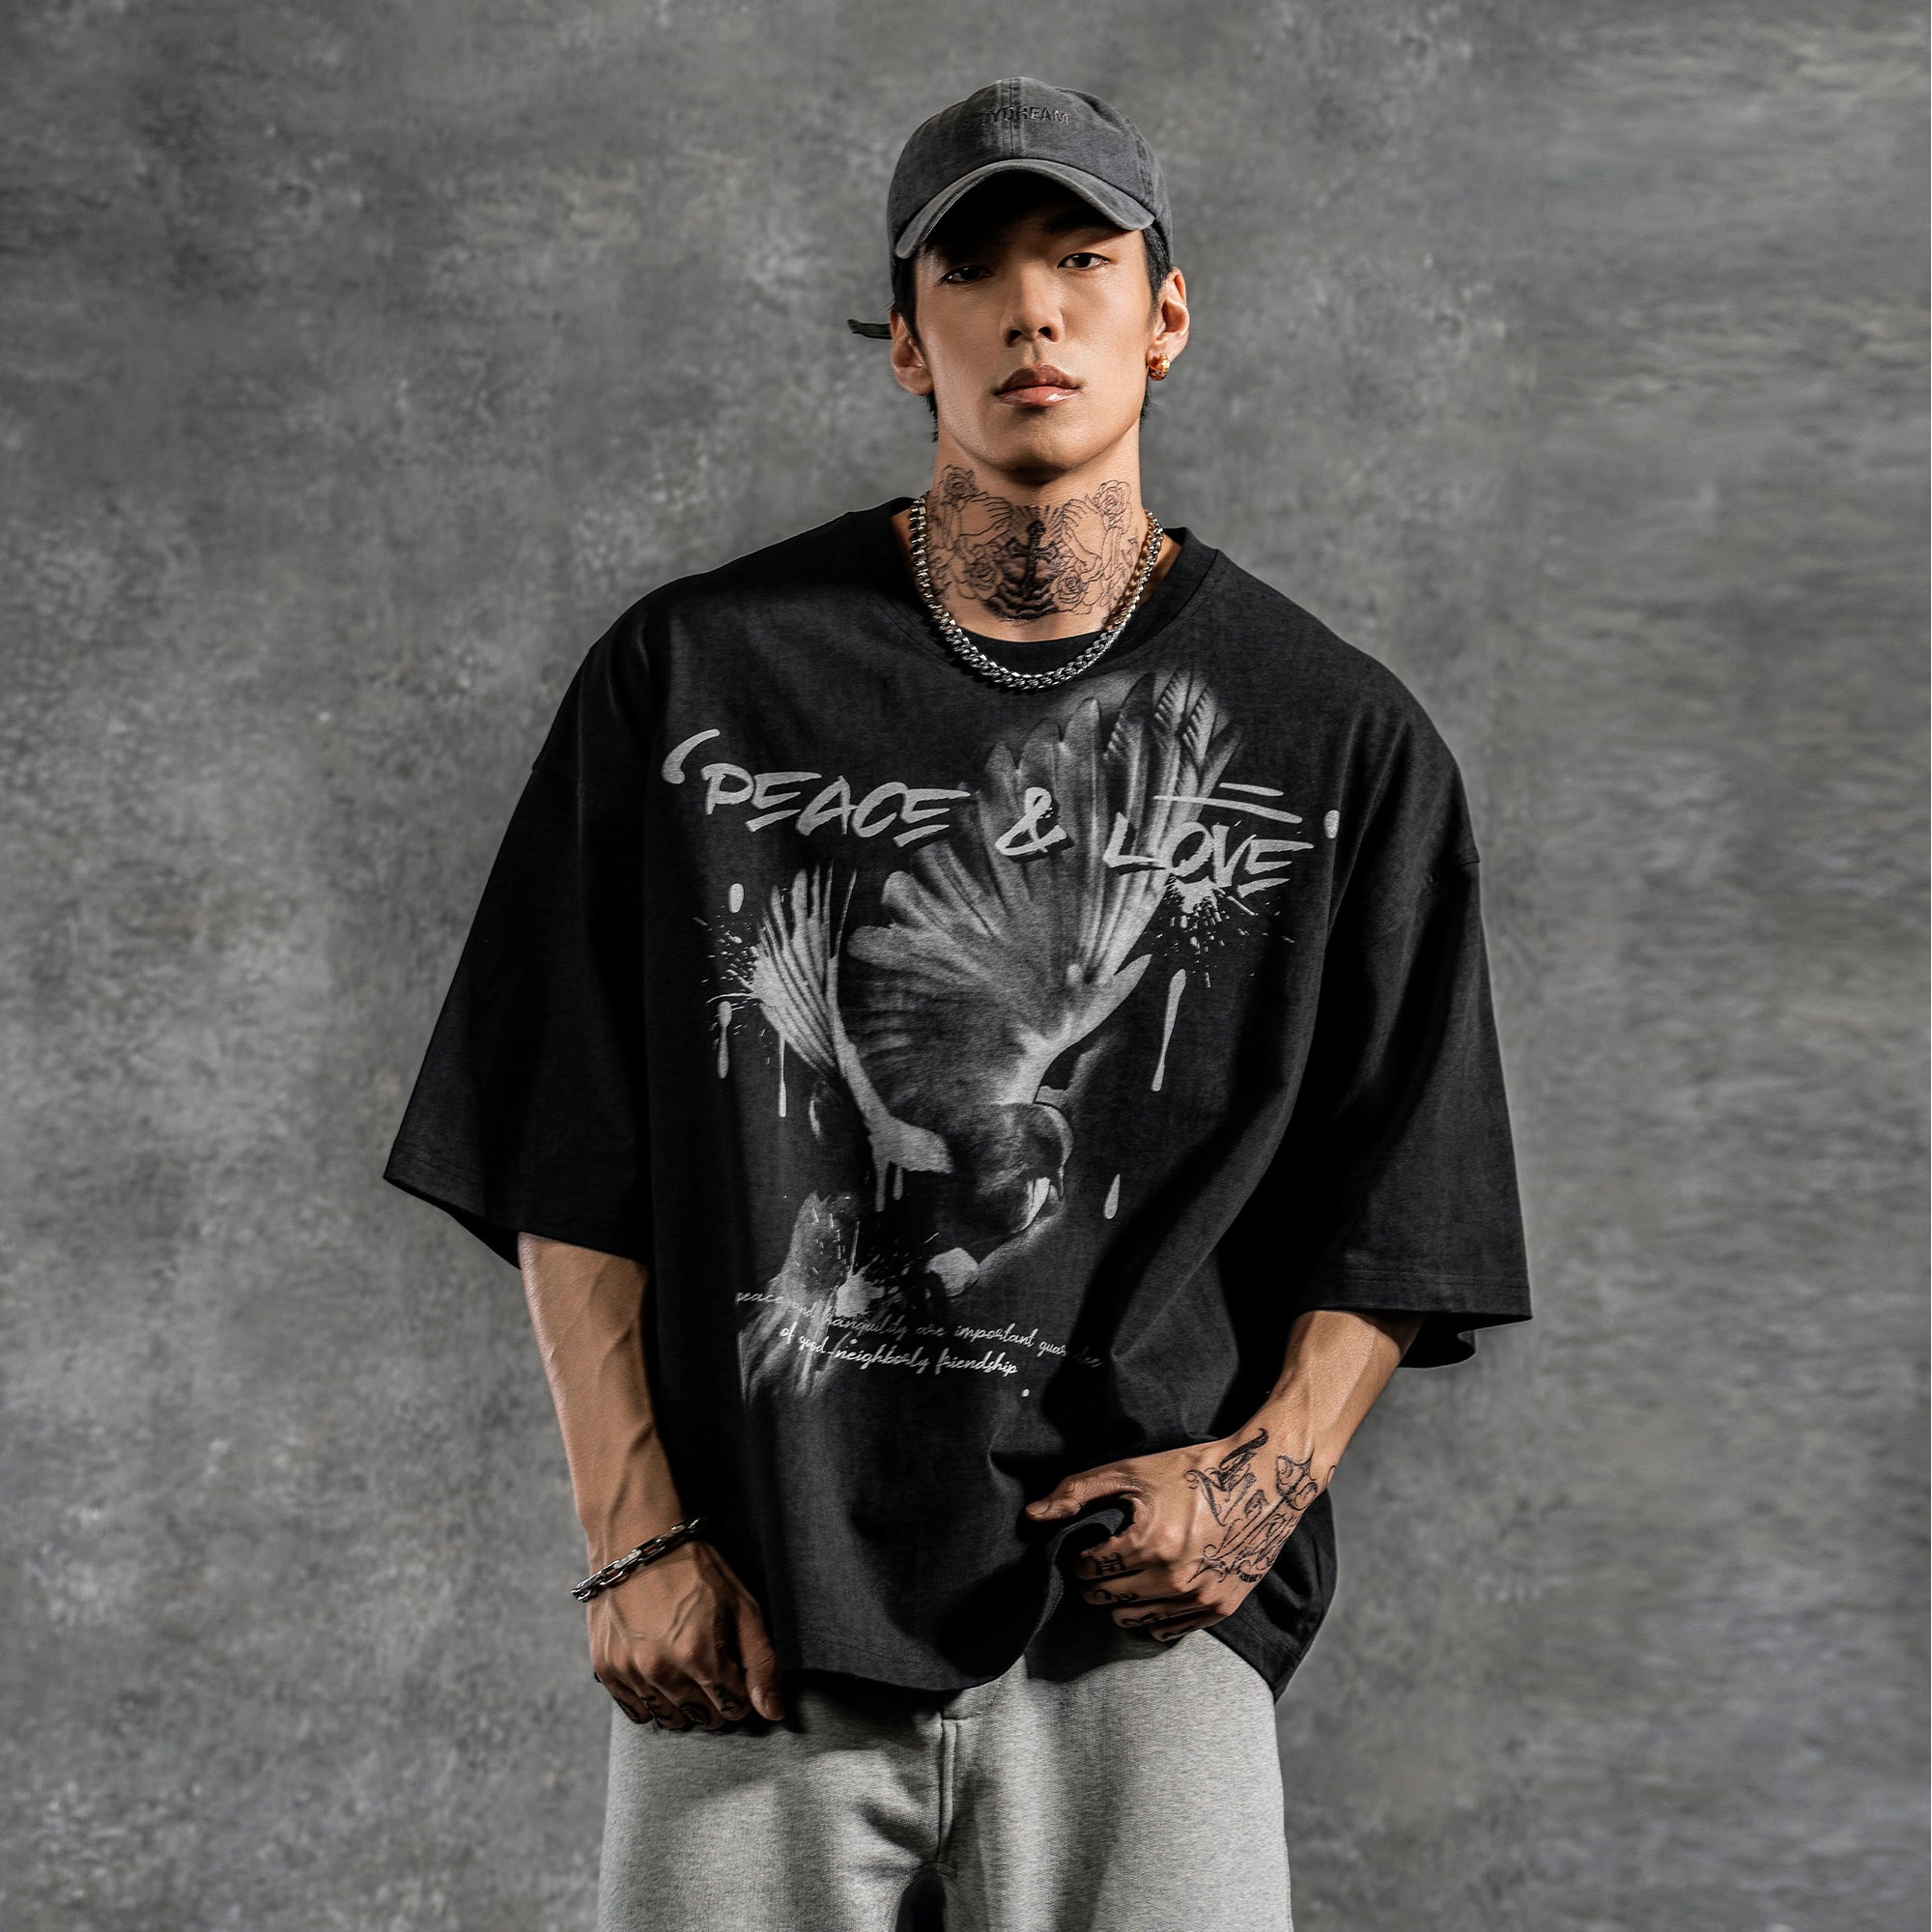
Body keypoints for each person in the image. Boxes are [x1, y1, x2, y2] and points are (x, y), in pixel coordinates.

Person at [384, 75, 1532, 1932]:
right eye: (973, 272)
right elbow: (563, 1142)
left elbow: (1411, 1197)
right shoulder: (695, 680)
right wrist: (634, 1535)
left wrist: (1259, 1489)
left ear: (1167, 316)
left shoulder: (1340, 739)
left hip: (1135, 1636)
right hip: (753, 1625)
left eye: (1082, 262)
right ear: (909, 342)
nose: (1032, 312)